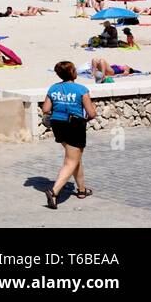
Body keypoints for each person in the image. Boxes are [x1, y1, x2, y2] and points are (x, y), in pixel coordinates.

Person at [41, 61, 96, 209]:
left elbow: (46, 109)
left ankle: (81, 190)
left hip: (58, 124)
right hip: (74, 125)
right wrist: (88, 116)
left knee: (75, 157)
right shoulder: (81, 89)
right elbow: (91, 113)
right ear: (72, 72)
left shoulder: (53, 88)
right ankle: (54, 192)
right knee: (70, 161)